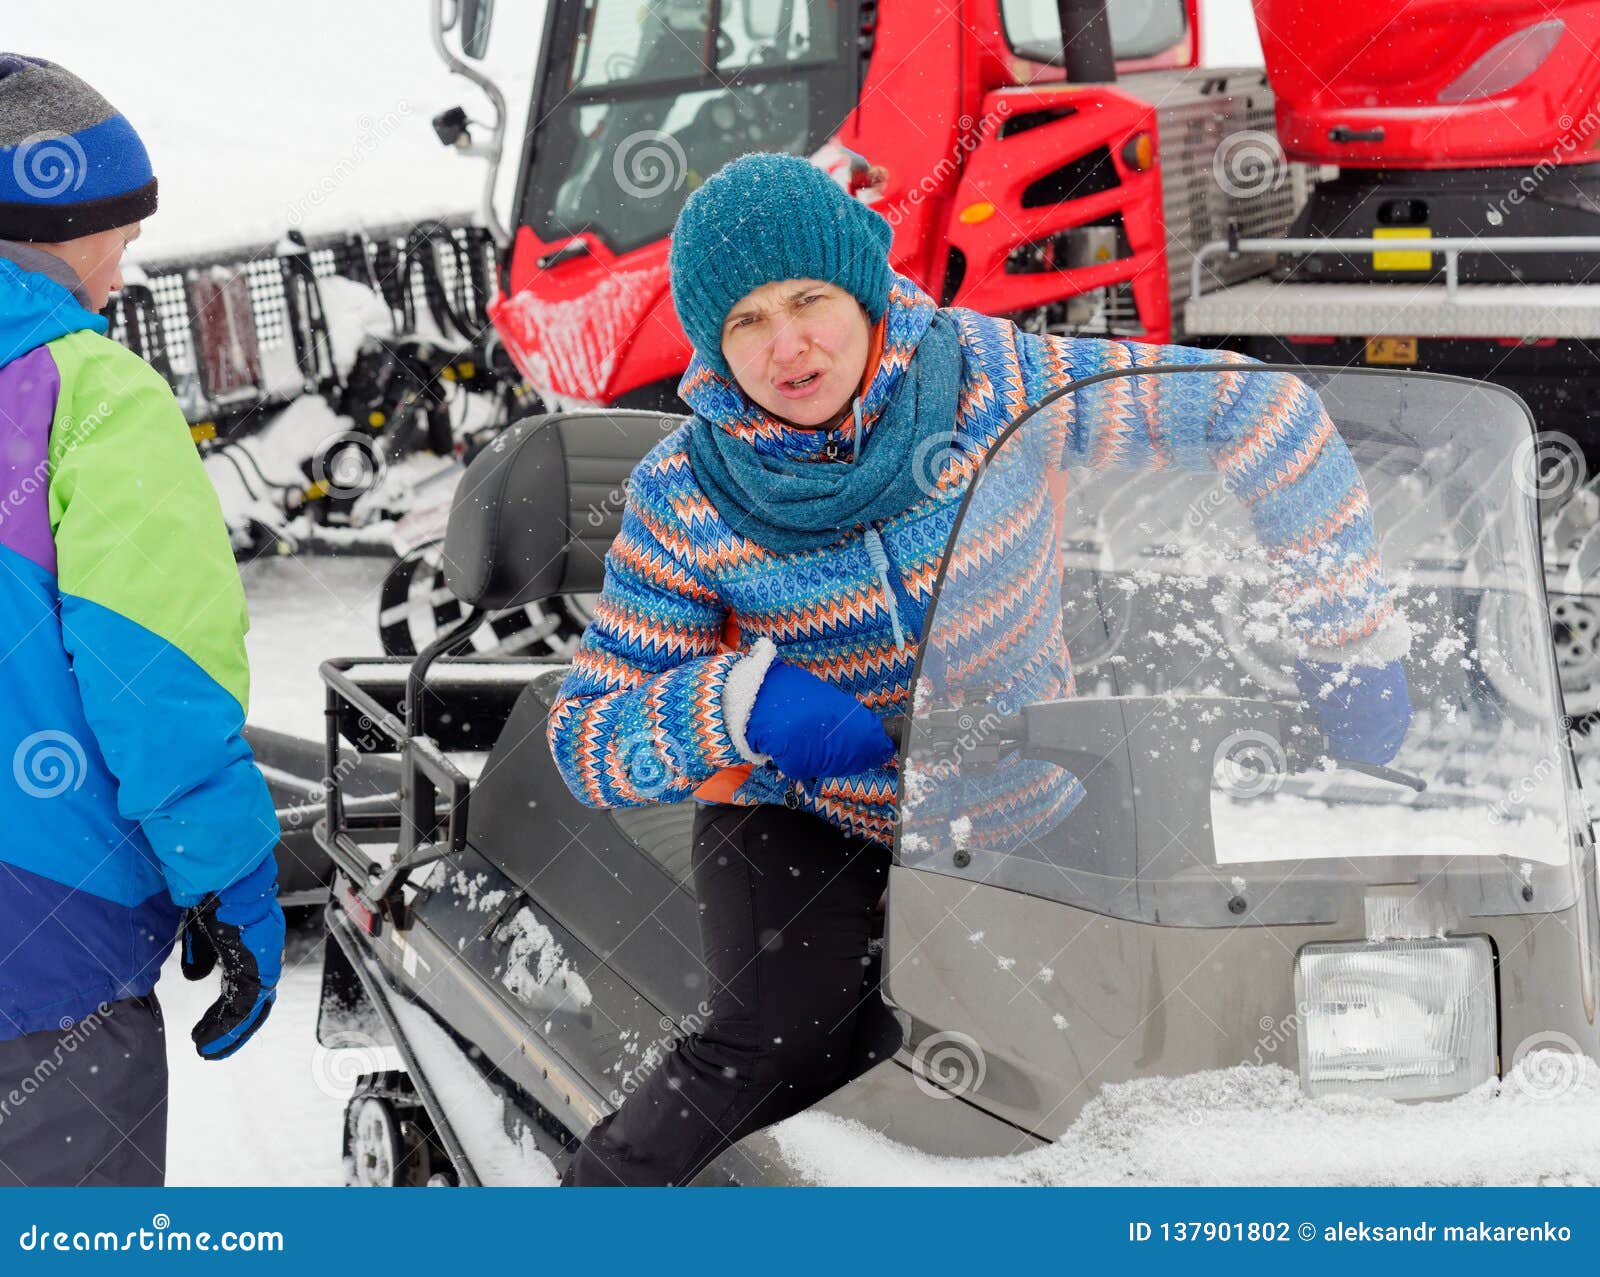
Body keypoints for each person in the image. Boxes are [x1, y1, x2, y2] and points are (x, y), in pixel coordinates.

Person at [547, 151, 1411, 1186]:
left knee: (1171, 1036)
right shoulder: (686, 490)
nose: (785, 346)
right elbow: (588, 740)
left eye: (807, 299)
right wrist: (737, 702)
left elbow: (1259, 412)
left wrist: (1345, 638)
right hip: (814, 813)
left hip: (1032, 782)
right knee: (785, 1037)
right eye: (744, 322)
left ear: (862, 291)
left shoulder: (990, 381)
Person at [0, 55, 283, 1187]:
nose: (126, 263)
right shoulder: (88, 391)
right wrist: (231, 873)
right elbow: (151, 680)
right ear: (50, 229)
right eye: (117, 230)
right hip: (43, 950)